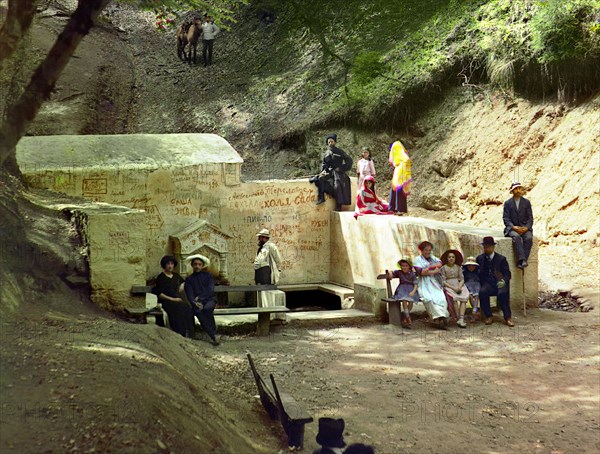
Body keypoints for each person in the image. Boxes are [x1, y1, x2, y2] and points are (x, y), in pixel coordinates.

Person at [152, 255, 195, 337]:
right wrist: (173, 299)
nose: (170, 266)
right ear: (164, 265)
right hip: (167, 301)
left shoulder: (176, 276)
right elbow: (160, 294)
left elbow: (183, 286)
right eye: (168, 264)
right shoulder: (161, 277)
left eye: (172, 264)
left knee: (188, 309)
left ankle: (190, 333)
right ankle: (179, 333)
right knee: (178, 310)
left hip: (178, 300)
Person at [476, 236, 514, 326]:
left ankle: (508, 317)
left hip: (499, 283)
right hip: (488, 283)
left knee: (503, 293)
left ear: (493, 247)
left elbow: (507, 274)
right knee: (482, 292)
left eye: (488, 247)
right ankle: (488, 315)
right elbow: (477, 272)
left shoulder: (501, 259)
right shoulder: (480, 258)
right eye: (485, 247)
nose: (486, 249)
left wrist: (504, 281)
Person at [311, 133, 353, 211]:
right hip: (329, 172)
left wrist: (341, 168)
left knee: (337, 185)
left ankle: (338, 205)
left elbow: (349, 160)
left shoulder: (340, 152)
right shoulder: (326, 153)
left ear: (335, 142)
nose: (330, 143)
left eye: (332, 141)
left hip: (338, 173)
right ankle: (321, 198)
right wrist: (323, 171)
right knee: (320, 179)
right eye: (329, 142)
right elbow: (324, 164)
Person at [413, 241, 450, 329]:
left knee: (441, 297)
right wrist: (434, 271)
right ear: (421, 250)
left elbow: (440, 264)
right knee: (428, 298)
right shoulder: (417, 259)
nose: (428, 252)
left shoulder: (433, 258)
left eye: (429, 250)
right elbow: (420, 272)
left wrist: (429, 268)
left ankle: (441, 318)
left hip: (434, 282)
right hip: (424, 283)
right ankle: (438, 319)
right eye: (426, 250)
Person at [184, 254, 220, 345]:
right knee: (199, 311)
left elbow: (210, 290)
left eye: (199, 264)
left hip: (209, 300)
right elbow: (189, 293)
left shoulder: (208, 276)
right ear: (192, 265)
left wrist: (200, 298)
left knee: (207, 309)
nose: (197, 266)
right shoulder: (189, 279)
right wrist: (194, 302)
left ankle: (213, 333)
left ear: (202, 265)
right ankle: (213, 335)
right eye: (195, 264)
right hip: (197, 303)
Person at [503, 182, 533, 269]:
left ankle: (522, 261)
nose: (518, 190)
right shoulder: (508, 203)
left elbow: (530, 218)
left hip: (524, 228)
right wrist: (513, 227)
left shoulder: (526, 202)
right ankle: (523, 260)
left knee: (529, 238)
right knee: (516, 237)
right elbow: (506, 218)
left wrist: (526, 227)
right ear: (512, 191)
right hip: (512, 229)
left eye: (519, 188)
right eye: (516, 189)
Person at [440, 250, 470, 328]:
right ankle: (457, 317)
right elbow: (443, 281)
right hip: (449, 285)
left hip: (459, 284)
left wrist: (459, 287)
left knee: (464, 297)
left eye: (453, 257)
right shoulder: (443, 268)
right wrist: (453, 288)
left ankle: (461, 318)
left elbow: (462, 279)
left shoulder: (458, 267)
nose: (451, 258)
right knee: (454, 299)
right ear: (447, 259)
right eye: (449, 257)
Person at [387, 258, 420, 329]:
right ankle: (408, 317)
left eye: (406, 266)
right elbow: (392, 272)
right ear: (400, 266)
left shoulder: (412, 274)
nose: (404, 267)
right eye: (403, 266)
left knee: (411, 302)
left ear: (409, 266)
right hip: (402, 289)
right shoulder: (399, 272)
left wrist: (413, 291)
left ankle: (405, 318)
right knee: (404, 300)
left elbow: (416, 284)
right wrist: (390, 273)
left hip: (411, 289)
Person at [387, 140, 412, 215]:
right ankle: (400, 209)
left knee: (394, 188)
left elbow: (391, 160)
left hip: (397, 169)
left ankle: (392, 208)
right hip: (402, 171)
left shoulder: (395, 148)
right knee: (400, 188)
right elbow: (407, 160)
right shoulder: (404, 155)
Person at [462, 256, 481, 321]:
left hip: (476, 284)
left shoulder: (478, 272)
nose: (471, 267)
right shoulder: (464, 272)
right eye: (469, 266)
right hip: (468, 284)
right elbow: (462, 280)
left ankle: (474, 310)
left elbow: (480, 279)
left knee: (476, 295)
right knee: (470, 295)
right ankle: (474, 311)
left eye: (473, 266)